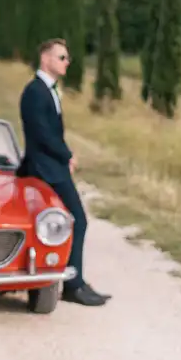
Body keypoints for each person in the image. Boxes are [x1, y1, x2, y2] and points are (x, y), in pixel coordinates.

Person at [16, 38, 111, 307]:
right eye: (62, 57)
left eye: (67, 58)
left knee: (70, 222)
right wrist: (66, 155)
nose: (67, 62)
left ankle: (74, 281)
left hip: (53, 166)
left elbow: (52, 132)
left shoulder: (48, 90)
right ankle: (72, 284)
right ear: (46, 59)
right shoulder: (35, 91)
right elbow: (41, 134)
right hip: (46, 170)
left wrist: (64, 155)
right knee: (76, 221)